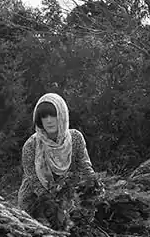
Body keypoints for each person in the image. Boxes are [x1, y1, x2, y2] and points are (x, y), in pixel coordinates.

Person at [17, 92, 99, 228]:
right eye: (44, 116)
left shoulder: (75, 138)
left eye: (53, 115)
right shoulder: (31, 145)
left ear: (62, 115)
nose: (49, 120)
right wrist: (52, 205)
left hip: (68, 197)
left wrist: (93, 186)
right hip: (35, 200)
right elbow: (33, 180)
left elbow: (84, 166)